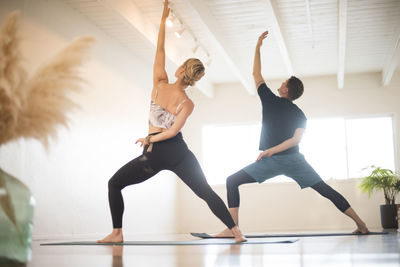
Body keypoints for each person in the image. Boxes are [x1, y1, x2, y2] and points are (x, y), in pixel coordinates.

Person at [97, 0, 246, 243]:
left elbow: (159, 52)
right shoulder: (187, 103)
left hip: (155, 153)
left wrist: (148, 138)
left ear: (179, 70)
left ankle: (117, 233)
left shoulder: (159, 83)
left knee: (114, 184)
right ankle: (237, 232)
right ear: (194, 79)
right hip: (180, 153)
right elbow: (175, 131)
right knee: (205, 191)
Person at [216, 31, 369, 237]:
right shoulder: (300, 114)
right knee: (325, 189)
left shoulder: (270, 100)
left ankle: (233, 228)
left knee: (232, 181)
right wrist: (271, 151)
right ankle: (362, 224)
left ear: (286, 90)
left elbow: (256, 74)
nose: (281, 83)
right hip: (295, 161)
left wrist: (258, 47)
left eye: (284, 82)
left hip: (273, 160)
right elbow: (296, 140)